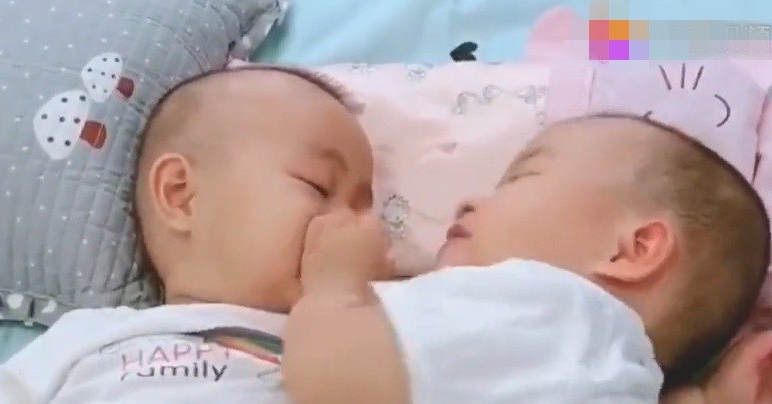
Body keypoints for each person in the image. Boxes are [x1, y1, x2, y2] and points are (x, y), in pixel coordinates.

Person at [282, 113, 771, 404]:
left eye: (520, 178)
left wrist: (335, 286)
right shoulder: (608, 369)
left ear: (630, 250)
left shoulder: (553, 308)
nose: (470, 201)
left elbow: (339, 382)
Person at [0, 64, 382, 403]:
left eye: (365, 210)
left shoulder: (357, 342)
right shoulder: (87, 337)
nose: (358, 229)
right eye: (319, 186)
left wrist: (345, 297)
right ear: (181, 195)